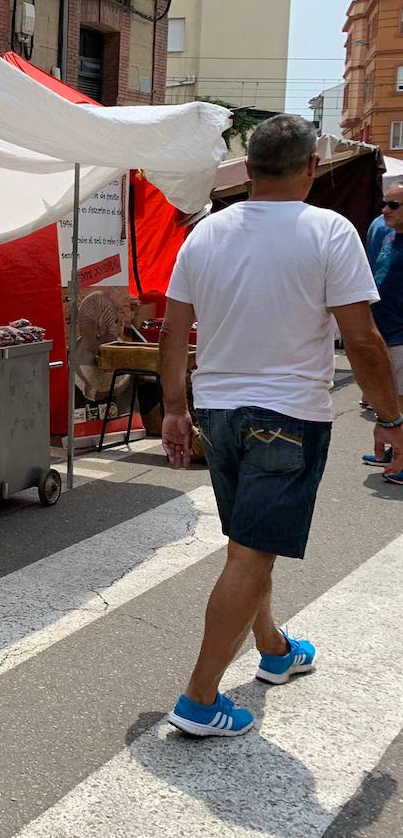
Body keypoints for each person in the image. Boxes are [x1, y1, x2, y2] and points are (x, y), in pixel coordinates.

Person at [159, 114, 401, 738]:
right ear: (310, 167)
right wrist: (393, 418)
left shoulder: (205, 233)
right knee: (249, 556)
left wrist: (175, 409)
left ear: (250, 169)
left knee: (248, 546)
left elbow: (172, 331)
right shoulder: (329, 230)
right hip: (288, 415)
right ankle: (199, 698)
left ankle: (272, 649)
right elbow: (364, 341)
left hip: (216, 411)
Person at [366, 186, 403, 469]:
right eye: (384, 203)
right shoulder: (389, 235)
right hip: (385, 332)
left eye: (393, 205)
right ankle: (393, 453)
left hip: (401, 335)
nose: (385, 210)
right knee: (392, 399)